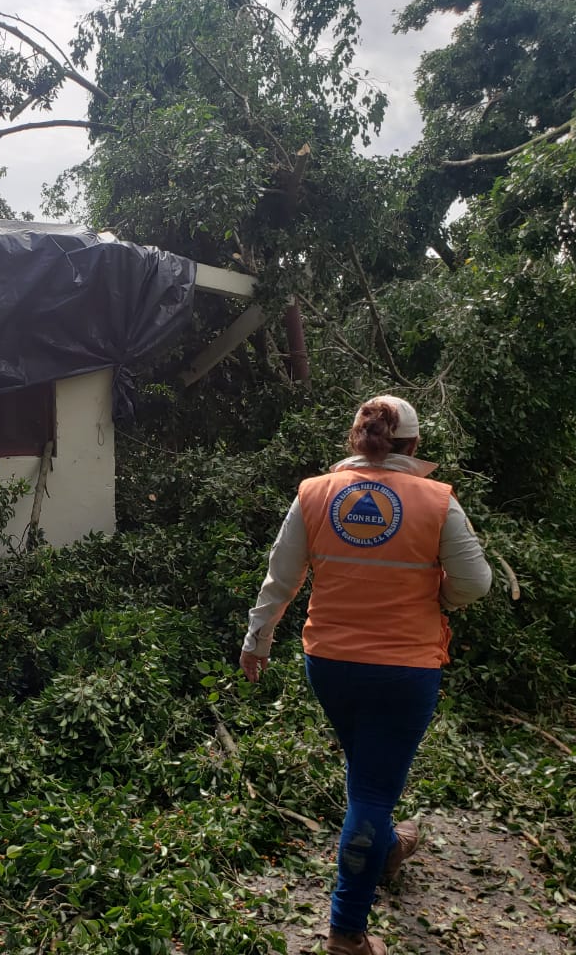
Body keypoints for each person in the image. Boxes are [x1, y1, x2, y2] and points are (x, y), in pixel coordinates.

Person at [240, 395, 492, 955]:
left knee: (366, 772)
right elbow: (476, 582)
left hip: (330, 664)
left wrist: (257, 641)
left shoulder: (315, 493)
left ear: (356, 438)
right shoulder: (437, 500)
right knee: (373, 792)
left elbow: (281, 577)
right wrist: (442, 597)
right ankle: (346, 934)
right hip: (404, 669)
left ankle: (389, 848)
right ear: (414, 444)